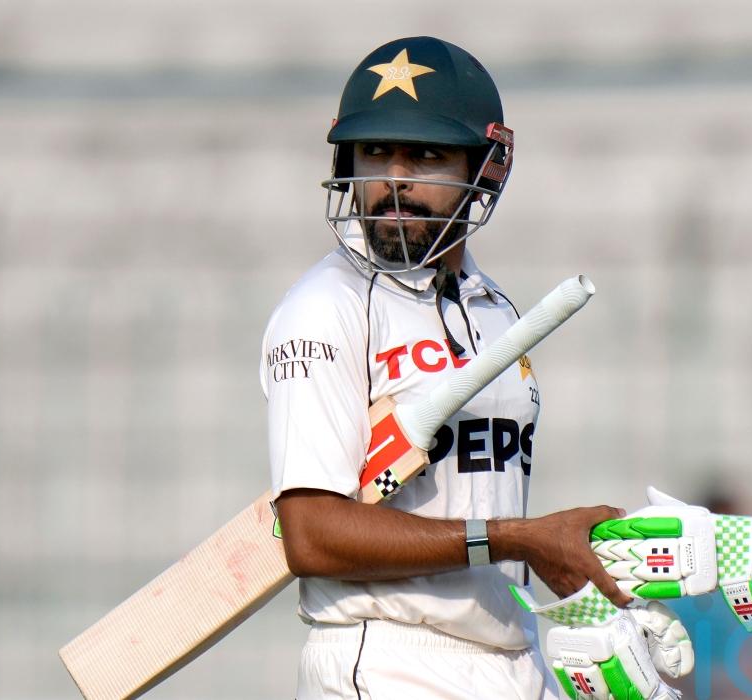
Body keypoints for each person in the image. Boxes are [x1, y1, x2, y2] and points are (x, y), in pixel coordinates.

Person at [262, 36, 679, 699]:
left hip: (508, 654)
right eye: (376, 151)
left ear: (487, 168)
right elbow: (312, 535)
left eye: (427, 155)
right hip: (387, 657)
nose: (395, 178)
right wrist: (521, 540)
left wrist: (587, 591)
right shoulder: (325, 308)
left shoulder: (493, 309)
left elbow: (487, 507)